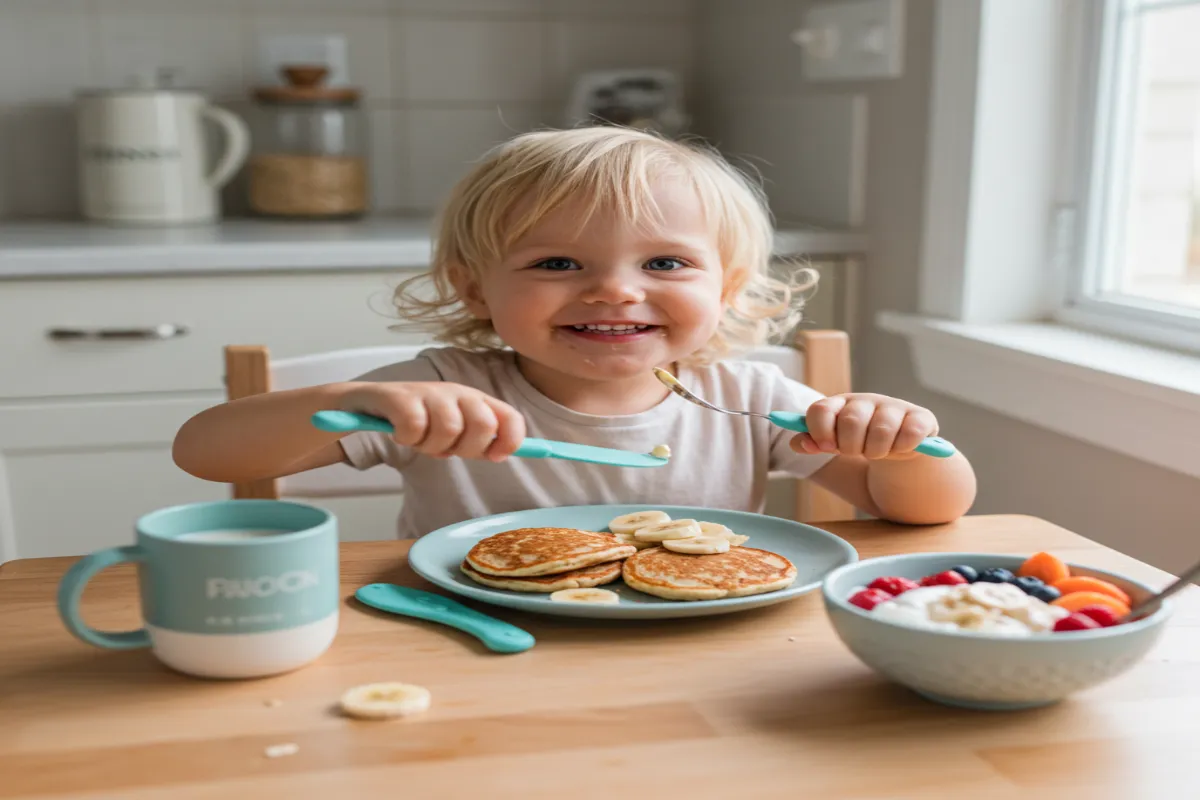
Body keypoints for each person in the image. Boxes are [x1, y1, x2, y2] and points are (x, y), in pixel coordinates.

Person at [173, 126, 977, 539]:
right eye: (558, 261)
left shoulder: (751, 397)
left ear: (724, 289)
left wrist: (902, 444)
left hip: (699, 652)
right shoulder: (443, 394)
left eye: (665, 262)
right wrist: (359, 400)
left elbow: (920, 512)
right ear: (473, 289)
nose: (615, 290)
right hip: (475, 647)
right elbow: (206, 452)